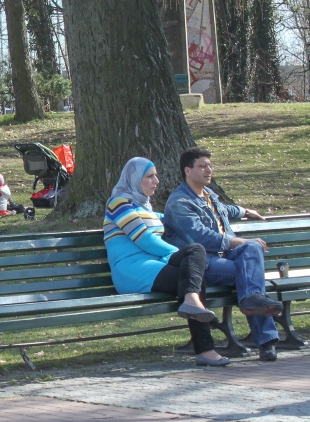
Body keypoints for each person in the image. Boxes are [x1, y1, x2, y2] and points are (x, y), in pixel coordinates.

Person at [104, 158, 229, 367]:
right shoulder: (118, 203)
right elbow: (143, 239)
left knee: (194, 279)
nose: (156, 180)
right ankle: (202, 338)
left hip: (154, 266)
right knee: (194, 259)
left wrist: (240, 211)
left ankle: (203, 342)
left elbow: (175, 218)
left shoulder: (147, 208)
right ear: (134, 179)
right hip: (131, 270)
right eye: (149, 176)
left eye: (156, 175)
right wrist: (179, 253)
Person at [163, 147, 282, 361]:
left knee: (253, 251)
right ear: (188, 171)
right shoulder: (179, 203)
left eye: (209, 165)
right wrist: (239, 241)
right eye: (202, 166)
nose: (208, 170)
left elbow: (224, 210)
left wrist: (245, 211)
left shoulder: (208, 195)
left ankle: (253, 304)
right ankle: (267, 341)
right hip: (203, 263)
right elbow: (199, 236)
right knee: (247, 275)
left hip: (225, 256)